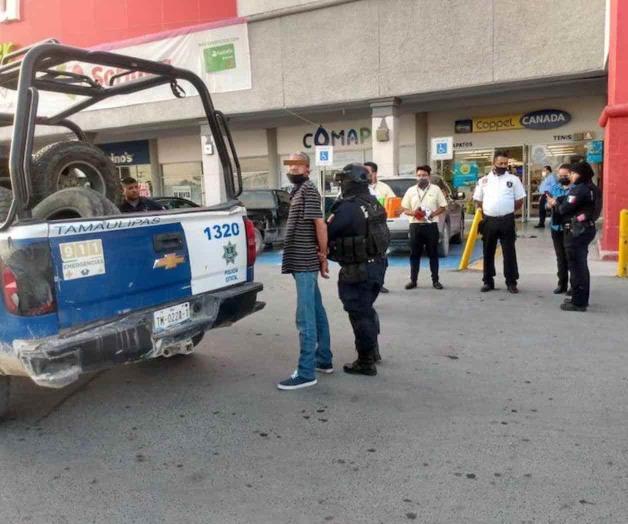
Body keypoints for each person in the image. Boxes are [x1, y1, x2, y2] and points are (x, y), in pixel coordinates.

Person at [327, 163, 388, 376]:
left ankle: (365, 361)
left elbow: (329, 231)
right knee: (367, 309)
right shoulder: (372, 202)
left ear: (350, 182)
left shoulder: (347, 207)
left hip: (358, 270)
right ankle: (373, 352)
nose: (341, 185)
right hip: (377, 266)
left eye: (343, 181)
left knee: (359, 313)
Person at [278, 152, 332, 390]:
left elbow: (319, 224)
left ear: (308, 168)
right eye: (290, 166)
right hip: (301, 260)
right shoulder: (298, 191)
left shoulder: (308, 190)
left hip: (305, 261)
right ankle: (323, 359)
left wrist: (323, 255)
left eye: (298, 166)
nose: (293, 170)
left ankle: (307, 372)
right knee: (317, 310)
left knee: (305, 317)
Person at [549, 162, 600, 312]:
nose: (570, 176)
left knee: (577, 267)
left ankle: (578, 302)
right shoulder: (593, 188)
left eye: (572, 173)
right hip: (585, 229)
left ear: (581, 174)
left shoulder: (578, 190)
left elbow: (565, 208)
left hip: (576, 231)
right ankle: (579, 297)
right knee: (580, 265)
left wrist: (555, 203)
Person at [473, 151, 526, 293]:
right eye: (500, 163)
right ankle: (488, 281)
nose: (503, 166)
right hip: (489, 221)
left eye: (505, 163)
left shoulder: (514, 180)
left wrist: (507, 211)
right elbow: (478, 200)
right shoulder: (483, 181)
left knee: (509, 251)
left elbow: (519, 200)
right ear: (493, 163)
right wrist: (487, 212)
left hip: (507, 220)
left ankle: (511, 282)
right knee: (488, 251)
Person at [401, 165, 447, 290]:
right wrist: (414, 213)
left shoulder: (436, 189)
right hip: (415, 226)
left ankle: (435, 281)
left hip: (431, 226)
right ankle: (413, 281)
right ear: (416, 177)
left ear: (429, 176)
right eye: (419, 175)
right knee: (414, 254)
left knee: (433, 254)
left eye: (424, 175)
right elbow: (404, 209)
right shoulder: (411, 190)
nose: (422, 177)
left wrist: (432, 214)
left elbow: (443, 206)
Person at [364, 161, 393, 294]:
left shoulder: (384, 188)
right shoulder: (357, 188)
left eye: (367, 172)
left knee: (382, 259)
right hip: (364, 230)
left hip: (380, 229)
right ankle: (367, 286)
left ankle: (379, 283)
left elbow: (393, 203)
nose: (364, 174)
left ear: (375, 173)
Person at [547, 164, 572, 294]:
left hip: (570, 227)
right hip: (556, 226)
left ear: (571, 174)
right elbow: (549, 203)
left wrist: (556, 202)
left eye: (565, 176)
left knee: (571, 257)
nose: (562, 178)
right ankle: (562, 283)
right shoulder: (555, 187)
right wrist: (550, 203)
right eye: (560, 176)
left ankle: (573, 286)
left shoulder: (575, 189)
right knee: (560, 257)